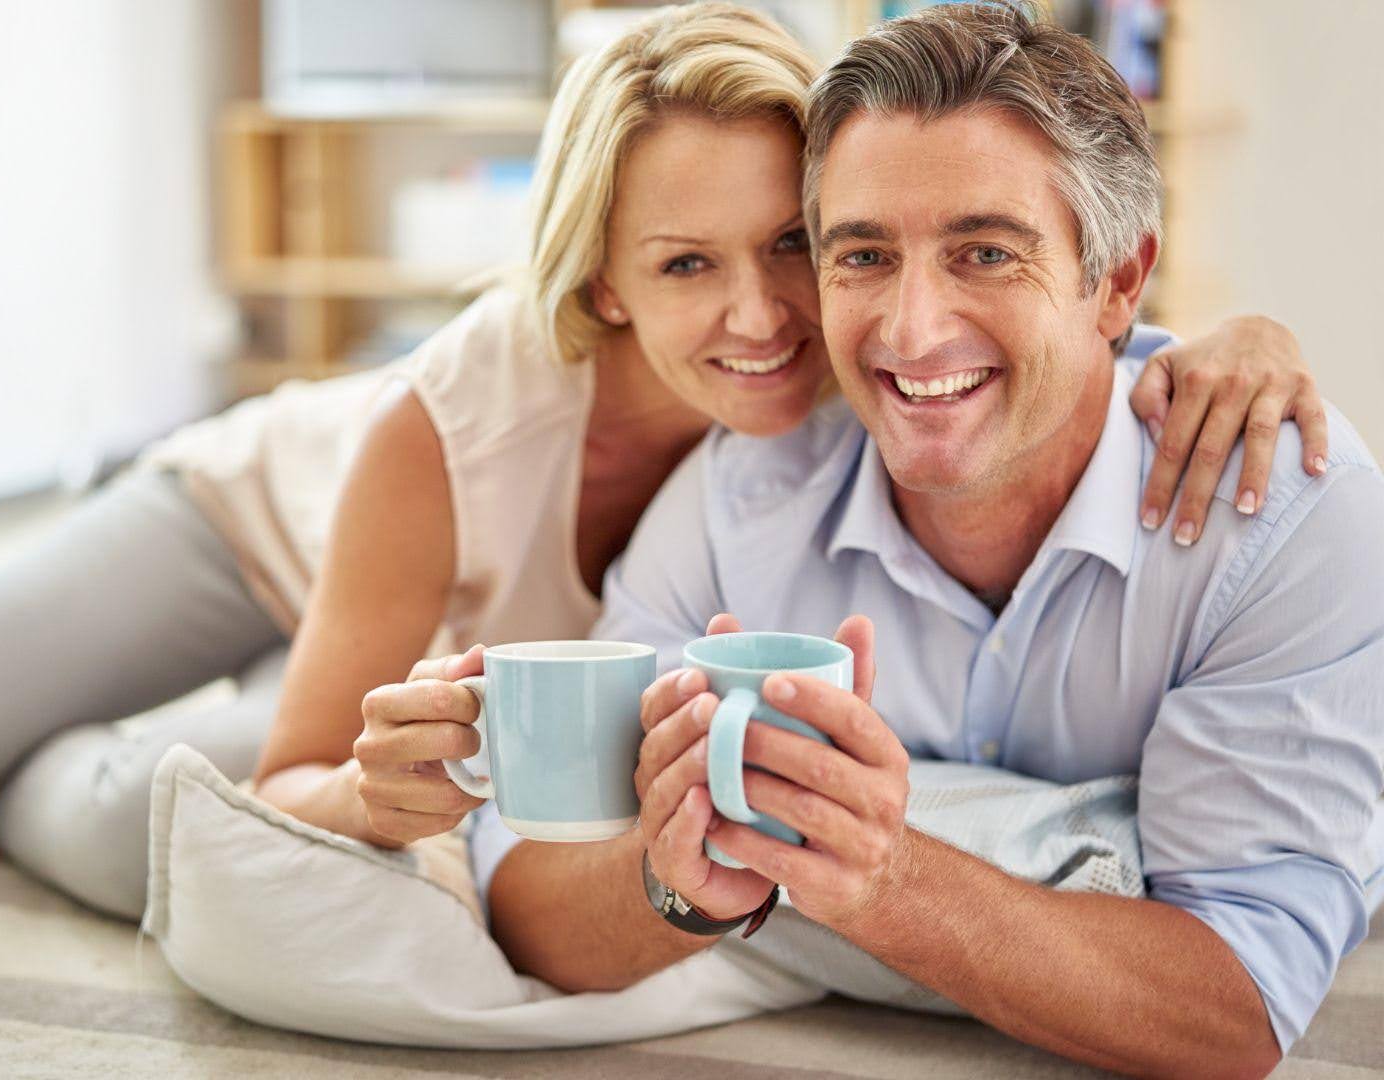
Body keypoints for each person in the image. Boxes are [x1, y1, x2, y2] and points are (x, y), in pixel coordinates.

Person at [0, 4, 1327, 925]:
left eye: (800, 245)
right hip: (255, 526)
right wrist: (379, 802)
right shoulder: (444, 433)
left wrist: (1247, 336)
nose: (766, 316)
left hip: (427, 643)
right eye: (682, 266)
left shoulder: (879, 341)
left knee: (171, 802)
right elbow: (311, 778)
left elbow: (1040, 307)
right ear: (600, 282)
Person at [364, 6, 1383, 1075]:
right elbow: (526, 894)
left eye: (984, 252)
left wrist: (886, 882)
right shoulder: (731, 496)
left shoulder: (1284, 520)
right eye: (859, 255)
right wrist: (671, 883)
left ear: (1119, 283)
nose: (909, 330)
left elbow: (1238, 1010)